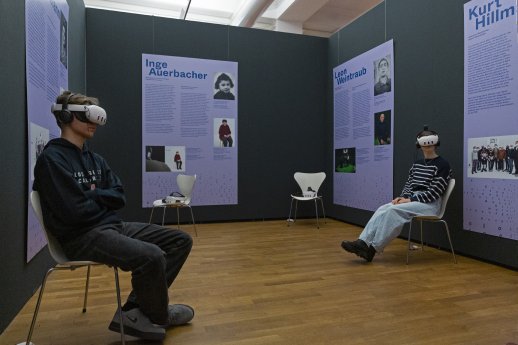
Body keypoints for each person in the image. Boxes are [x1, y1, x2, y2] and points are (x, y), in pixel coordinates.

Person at [33, 91, 194, 341]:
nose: (93, 123)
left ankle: (136, 311)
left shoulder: (96, 159)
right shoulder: (51, 160)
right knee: (152, 256)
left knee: (180, 241)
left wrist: (90, 195)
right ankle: (159, 314)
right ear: (66, 116)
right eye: (87, 116)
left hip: (110, 226)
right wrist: (99, 198)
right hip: (80, 237)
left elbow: (119, 196)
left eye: (96, 118)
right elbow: (74, 213)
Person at [341, 127, 452, 262]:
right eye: (425, 143)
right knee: (384, 208)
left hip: (429, 205)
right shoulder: (416, 164)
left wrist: (410, 199)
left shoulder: (443, 165)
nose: (428, 147)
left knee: (393, 211)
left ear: (436, 143)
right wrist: (403, 197)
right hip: (413, 201)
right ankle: (363, 242)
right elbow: (409, 184)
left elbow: (434, 193)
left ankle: (372, 250)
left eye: (431, 143)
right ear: (419, 145)